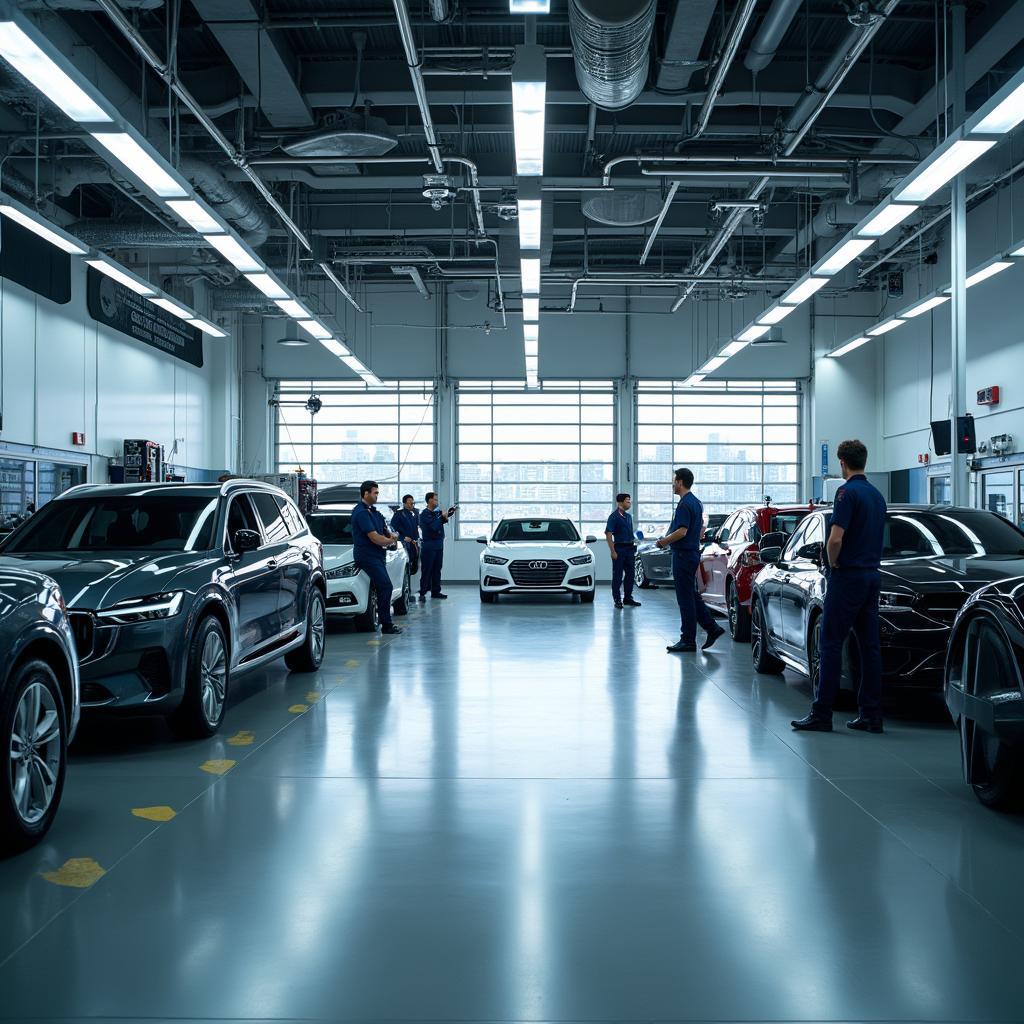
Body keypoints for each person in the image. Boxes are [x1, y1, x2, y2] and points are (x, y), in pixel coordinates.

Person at [792, 440, 886, 733]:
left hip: (847, 577)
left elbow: (835, 539)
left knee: (830, 643)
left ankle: (822, 713)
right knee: (870, 647)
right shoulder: (876, 495)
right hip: (872, 576)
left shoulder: (846, 493)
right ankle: (871, 714)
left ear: (842, 462)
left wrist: (833, 564)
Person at [656, 468, 725, 653]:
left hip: (683, 555)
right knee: (691, 595)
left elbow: (681, 531)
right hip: (691, 553)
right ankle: (712, 627)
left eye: (673, 481)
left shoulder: (684, 504)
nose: (672, 484)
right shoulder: (696, 502)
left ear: (679, 482)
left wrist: (663, 542)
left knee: (684, 599)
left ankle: (687, 640)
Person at [351, 480, 402, 635]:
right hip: (367, 556)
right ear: (366, 493)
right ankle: (386, 624)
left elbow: (384, 530)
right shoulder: (361, 513)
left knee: (379, 588)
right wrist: (391, 540)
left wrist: (390, 535)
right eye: (375, 493)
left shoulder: (374, 512)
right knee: (386, 586)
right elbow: (375, 538)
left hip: (377, 556)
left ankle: (378, 619)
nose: (377, 496)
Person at [605, 493, 641, 610]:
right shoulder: (613, 517)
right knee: (618, 575)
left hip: (630, 549)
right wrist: (612, 551)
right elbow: (608, 534)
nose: (629, 503)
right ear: (620, 502)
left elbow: (629, 533)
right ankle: (617, 599)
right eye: (627, 501)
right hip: (619, 549)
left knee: (630, 575)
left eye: (630, 501)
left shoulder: (629, 517)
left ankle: (628, 598)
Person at [419, 492, 457, 600]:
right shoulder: (424, 514)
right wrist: (442, 518)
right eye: (435, 499)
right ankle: (423, 592)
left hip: (438, 545)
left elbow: (441, 520)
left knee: (437, 569)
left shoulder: (436, 513)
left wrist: (449, 513)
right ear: (430, 500)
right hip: (429, 545)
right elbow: (434, 527)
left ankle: (436, 591)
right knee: (427, 569)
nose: (437, 501)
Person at [390, 494, 420, 601]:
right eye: (409, 502)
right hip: (404, 545)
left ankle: (413, 590)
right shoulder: (399, 515)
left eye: (413, 502)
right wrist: (403, 538)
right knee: (406, 569)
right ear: (404, 503)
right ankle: (406, 593)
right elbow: (393, 530)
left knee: (414, 568)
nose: (412, 504)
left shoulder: (415, 513)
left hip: (414, 544)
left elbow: (417, 528)